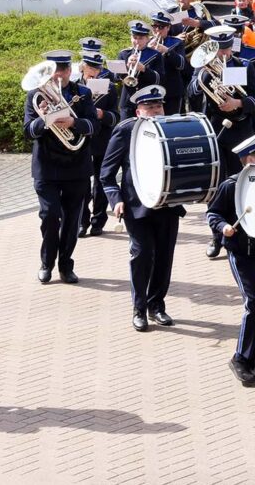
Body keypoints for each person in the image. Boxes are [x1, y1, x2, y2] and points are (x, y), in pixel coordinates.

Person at [100, 85, 183, 331]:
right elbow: (106, 173)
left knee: (164, 257)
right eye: (149, 108)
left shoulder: (172, 129)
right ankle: (139, 308)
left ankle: (157, 305)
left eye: (158, 107)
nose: (155, 111)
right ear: (138, 112)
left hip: (167, 204)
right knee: (143, 253)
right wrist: (116, 200)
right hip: (136, 206)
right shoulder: (125, 131)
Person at [206, 130, 255, 385]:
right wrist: (223, 226)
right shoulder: (231, 185)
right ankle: (239, 358)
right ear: (249, 159)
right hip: (241, 252)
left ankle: (251, 360)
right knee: (254, 302)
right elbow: (213, 214)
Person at [188, 27, 255, 259]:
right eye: (217, 49)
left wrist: (237, 103)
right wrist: (201, 76)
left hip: (239, 133)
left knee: (239, 184)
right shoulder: (204, 69)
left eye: (225, 48)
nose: (221, 53)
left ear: (232, 46)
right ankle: (216, 235)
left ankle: (241, 231)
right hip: (214, 132)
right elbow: (191, 94)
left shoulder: (244, 66)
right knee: (215, 187)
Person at [24, 50, 98, 284]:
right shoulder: (35, 97)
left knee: (71, 220)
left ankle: (66, 265)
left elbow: (93, 126)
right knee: (50, 215)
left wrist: (74, 122)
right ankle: (47, 263)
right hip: (46, 167)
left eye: (62, 70)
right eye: (53, 71)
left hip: (76, 166)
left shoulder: (83, 94)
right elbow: (28, 131)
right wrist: (43, 119)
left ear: (69, 71)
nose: (57, 75)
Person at [76, 44, 119, 239]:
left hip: (102, 140)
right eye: (90, 68)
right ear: (82, 67)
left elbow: (116, 117)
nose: (94, 72)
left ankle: (98, 220)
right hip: (81, 142)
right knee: (82, 183)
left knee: (101, 183)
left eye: (97, 68)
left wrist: (103, 114)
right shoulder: (74, 87)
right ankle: (82, 221)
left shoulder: (108, 87)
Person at [116, 20, 164, 120]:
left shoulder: (155, 55)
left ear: (147, 39)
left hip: (147, 101)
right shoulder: (124, 54)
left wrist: (144, 69)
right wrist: (127, 66)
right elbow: (116, 77)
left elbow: (159, 79)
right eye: (135, 38)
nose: (137, 41)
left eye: (141, 38)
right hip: (127, 101)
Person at [148, 10, 186, 115]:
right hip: (152, 91)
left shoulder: (176, 43)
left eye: (161, 27)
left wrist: (166, 50)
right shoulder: (146, 43)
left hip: (171, 91)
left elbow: (181, 65)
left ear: (168, 28)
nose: (157, 30)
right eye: (154, 26)